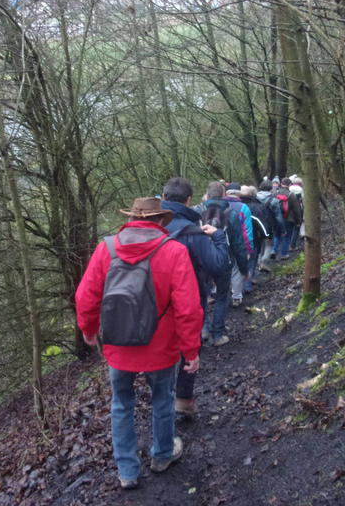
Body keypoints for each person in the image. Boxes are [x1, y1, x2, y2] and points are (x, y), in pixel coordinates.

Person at [75, 197, 203, 490]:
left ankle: (127, 471)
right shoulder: (173, 251)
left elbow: (86, 297)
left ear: (132, 218)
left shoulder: (105, 249)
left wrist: (89, 330)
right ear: (160, 221)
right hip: (161, 348)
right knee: (162, 399)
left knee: (121, 405)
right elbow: (188, 308)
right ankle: (162, 455)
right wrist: (190, 350)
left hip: (119, 348)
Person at [161, 177, 230, 418]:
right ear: (189, 201)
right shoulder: (194, 232)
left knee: (163, 348)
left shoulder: (150, 229)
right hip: (190, 298)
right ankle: (183, 400)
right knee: (189, 349)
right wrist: (218, 237)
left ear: (163, 199)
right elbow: (219, 266)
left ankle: (162, 401)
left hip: (155, 303)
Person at [197, 181, 248, 346]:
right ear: (224, 194)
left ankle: (203, 329)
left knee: (202, 296)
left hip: (201, 260)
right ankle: (217, 334)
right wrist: (243, 268)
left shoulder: (196, 212)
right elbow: (238, 244)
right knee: (221, 297)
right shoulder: (230, 214)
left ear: (206, 194)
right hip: (223, 260)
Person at [239, 185, 273, 292]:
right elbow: (262, 223)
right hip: (253, 239)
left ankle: (237, 289)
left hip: (236, 239)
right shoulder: (256, 206)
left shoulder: (234, 205)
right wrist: (267, 235)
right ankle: (247, 285)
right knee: (251, 262)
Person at [224, 182, 253, 306]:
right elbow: (247, 231)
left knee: (224, 270)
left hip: (221, 243)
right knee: (236, 270)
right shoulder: (243, 208)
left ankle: (221, 294)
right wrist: (248, 249)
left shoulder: (219, 205)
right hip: (237, 243)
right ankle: (236, 296)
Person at [257, 179, 285, 268]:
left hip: (256, 225)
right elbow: (279, 217)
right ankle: (263, 262)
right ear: (270, 188)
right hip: (270, 226)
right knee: (269, 244)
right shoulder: (274, 201)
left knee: (259, 244)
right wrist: (282, 229)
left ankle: (258, 262)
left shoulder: (254, 198)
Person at [273, 178, 303, 260]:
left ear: (281, 184)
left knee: (277, 235)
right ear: (289, 185)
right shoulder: (291, 195)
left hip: (276, 218)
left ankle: (274, 250)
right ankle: (284, 254)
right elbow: (297, 209)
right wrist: (298, 221)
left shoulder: (274, 193)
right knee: (287, 236)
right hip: (288, 219)